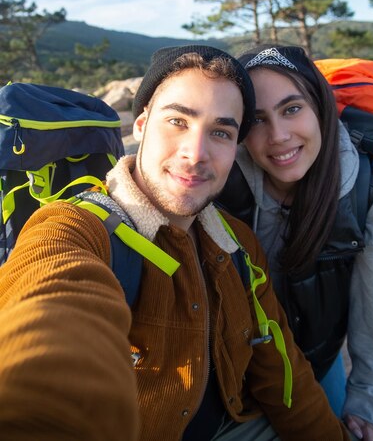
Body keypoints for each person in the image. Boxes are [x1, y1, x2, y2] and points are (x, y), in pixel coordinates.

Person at [0, 45, 353, 441]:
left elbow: (282, 370)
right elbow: (49, 317)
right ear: (140, 124)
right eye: (178, 121)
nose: (196, 154)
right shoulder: (74, 229)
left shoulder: (238, 244)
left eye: (220, 132)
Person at [217, 44, 373, 441]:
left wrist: (369, 402)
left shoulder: (365, 197)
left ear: (320, 107)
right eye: (256, 120)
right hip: (236, 366)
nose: (279, 137)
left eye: (291, 109)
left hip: (315, 358)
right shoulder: (222, 183)